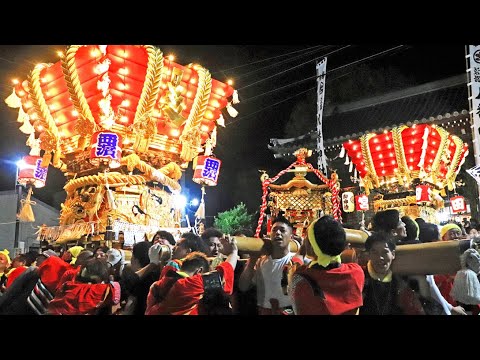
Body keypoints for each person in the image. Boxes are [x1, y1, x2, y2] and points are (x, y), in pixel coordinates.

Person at [289, 215, 365, 315]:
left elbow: (296, 306)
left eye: (307, 237)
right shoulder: (356, 272)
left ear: (313, 247)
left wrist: (300, 253)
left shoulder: (300, 278)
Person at [145, 236, 238, 315]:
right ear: (199, 271)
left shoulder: (156, 286)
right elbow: (221, 276)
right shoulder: (189, 285)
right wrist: (233, 252)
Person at [238, 215, 302, 315]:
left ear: (291, 236)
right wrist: (252, 260)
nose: (278, 233)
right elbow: (243, 286)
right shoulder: (261, 262)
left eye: (282, 230)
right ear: (270, 235)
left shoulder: (297, 261)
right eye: (274, 230)